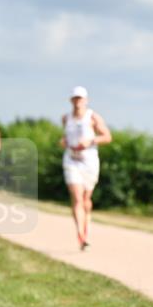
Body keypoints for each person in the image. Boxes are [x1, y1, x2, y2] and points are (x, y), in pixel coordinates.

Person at [60, 86, 111, 250]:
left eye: (80, 98)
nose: (78, 102)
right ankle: (80, 236)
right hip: (71, 161)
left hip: (89, 162)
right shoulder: (65, 118)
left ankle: (85, 227)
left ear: (86, 100)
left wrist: (90, 141)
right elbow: (65, 137)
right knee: (76, 198)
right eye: (75, 98)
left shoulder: (93, 117)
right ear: (71, 100)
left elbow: (107, 137)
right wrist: (64, 142)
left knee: (86, 201)